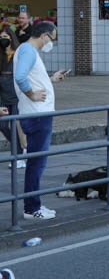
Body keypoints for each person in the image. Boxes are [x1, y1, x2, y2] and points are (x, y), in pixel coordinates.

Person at [13, 21, 67, 220]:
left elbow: (28, 76)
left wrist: (50, 79)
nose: (51, 43)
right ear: (44, 36)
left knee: (35, 163)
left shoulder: (26, 51)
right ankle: (32, 207)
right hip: (37, 115)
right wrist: (32, 94)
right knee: (37, 163)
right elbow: (20, 77)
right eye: (51, 38)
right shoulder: (28, 50)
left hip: (35, 113)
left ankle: (32, 205)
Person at [0, 28, 23, 168]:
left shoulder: (17, 55)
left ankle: (18, 155)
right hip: (3, 97)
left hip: (15, 97)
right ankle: (19, 148)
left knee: (14, 126)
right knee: (3, 126)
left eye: (5, 36)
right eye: (1, 36)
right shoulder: (1, 56)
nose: (3, 39)